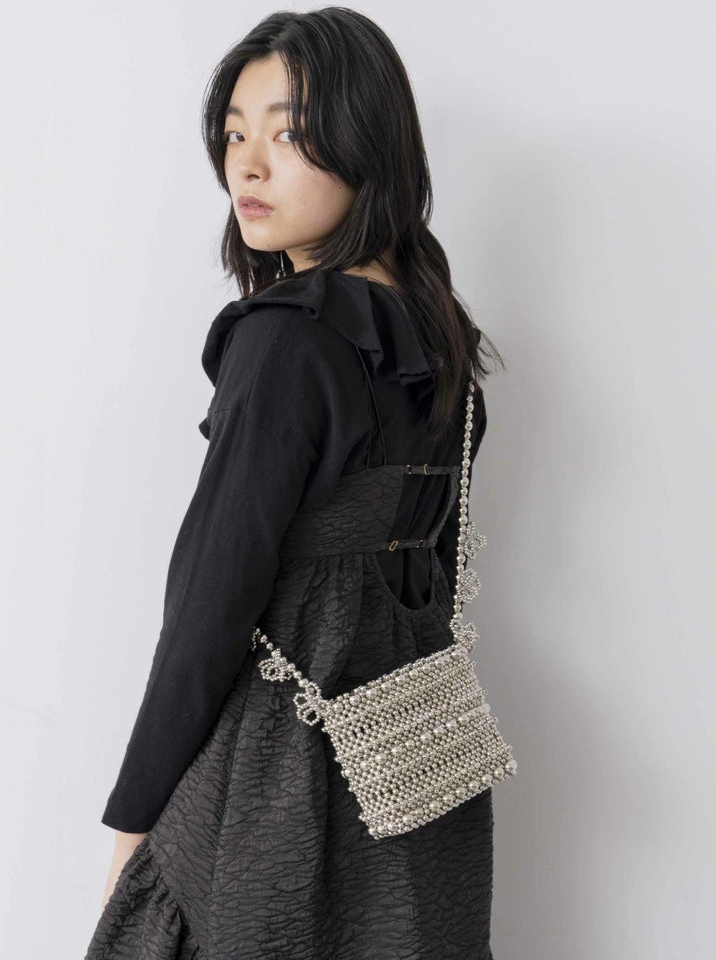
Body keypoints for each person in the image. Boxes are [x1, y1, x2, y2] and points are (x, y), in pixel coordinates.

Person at [86, 7, 505, 958]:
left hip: (284, 776)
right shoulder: (439, 337)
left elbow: (211, 598)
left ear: (366, 142)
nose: (248, 166)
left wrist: (132, 824)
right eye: (235, 135)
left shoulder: (287, 340)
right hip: (422, 765)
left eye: (287, 132)